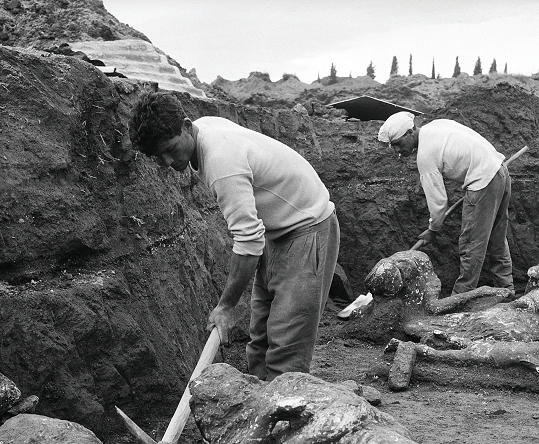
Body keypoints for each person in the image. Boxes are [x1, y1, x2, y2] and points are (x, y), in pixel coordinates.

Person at [129, 92, 340, 382]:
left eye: (170, 148)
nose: (167, 161)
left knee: (285, 351)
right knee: (260, 343)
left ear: (186, 126)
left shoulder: (221, 162)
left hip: (308, 229)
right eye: (158, 157)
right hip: (277, 232)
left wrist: (226, 306)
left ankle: (283, 420)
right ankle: (257, 412)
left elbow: (248, 242)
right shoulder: (204, 130)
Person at [377, 111, 514, 295]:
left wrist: (433, 229)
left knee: (471, 245)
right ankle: (507, 291)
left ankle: (460, 298)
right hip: (500, 171)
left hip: (483, 182)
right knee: (497, 240)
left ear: (410, 132)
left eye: (397, 144)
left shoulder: (425, 154)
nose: (397, 151)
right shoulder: (436, 126)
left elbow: (438, 201)